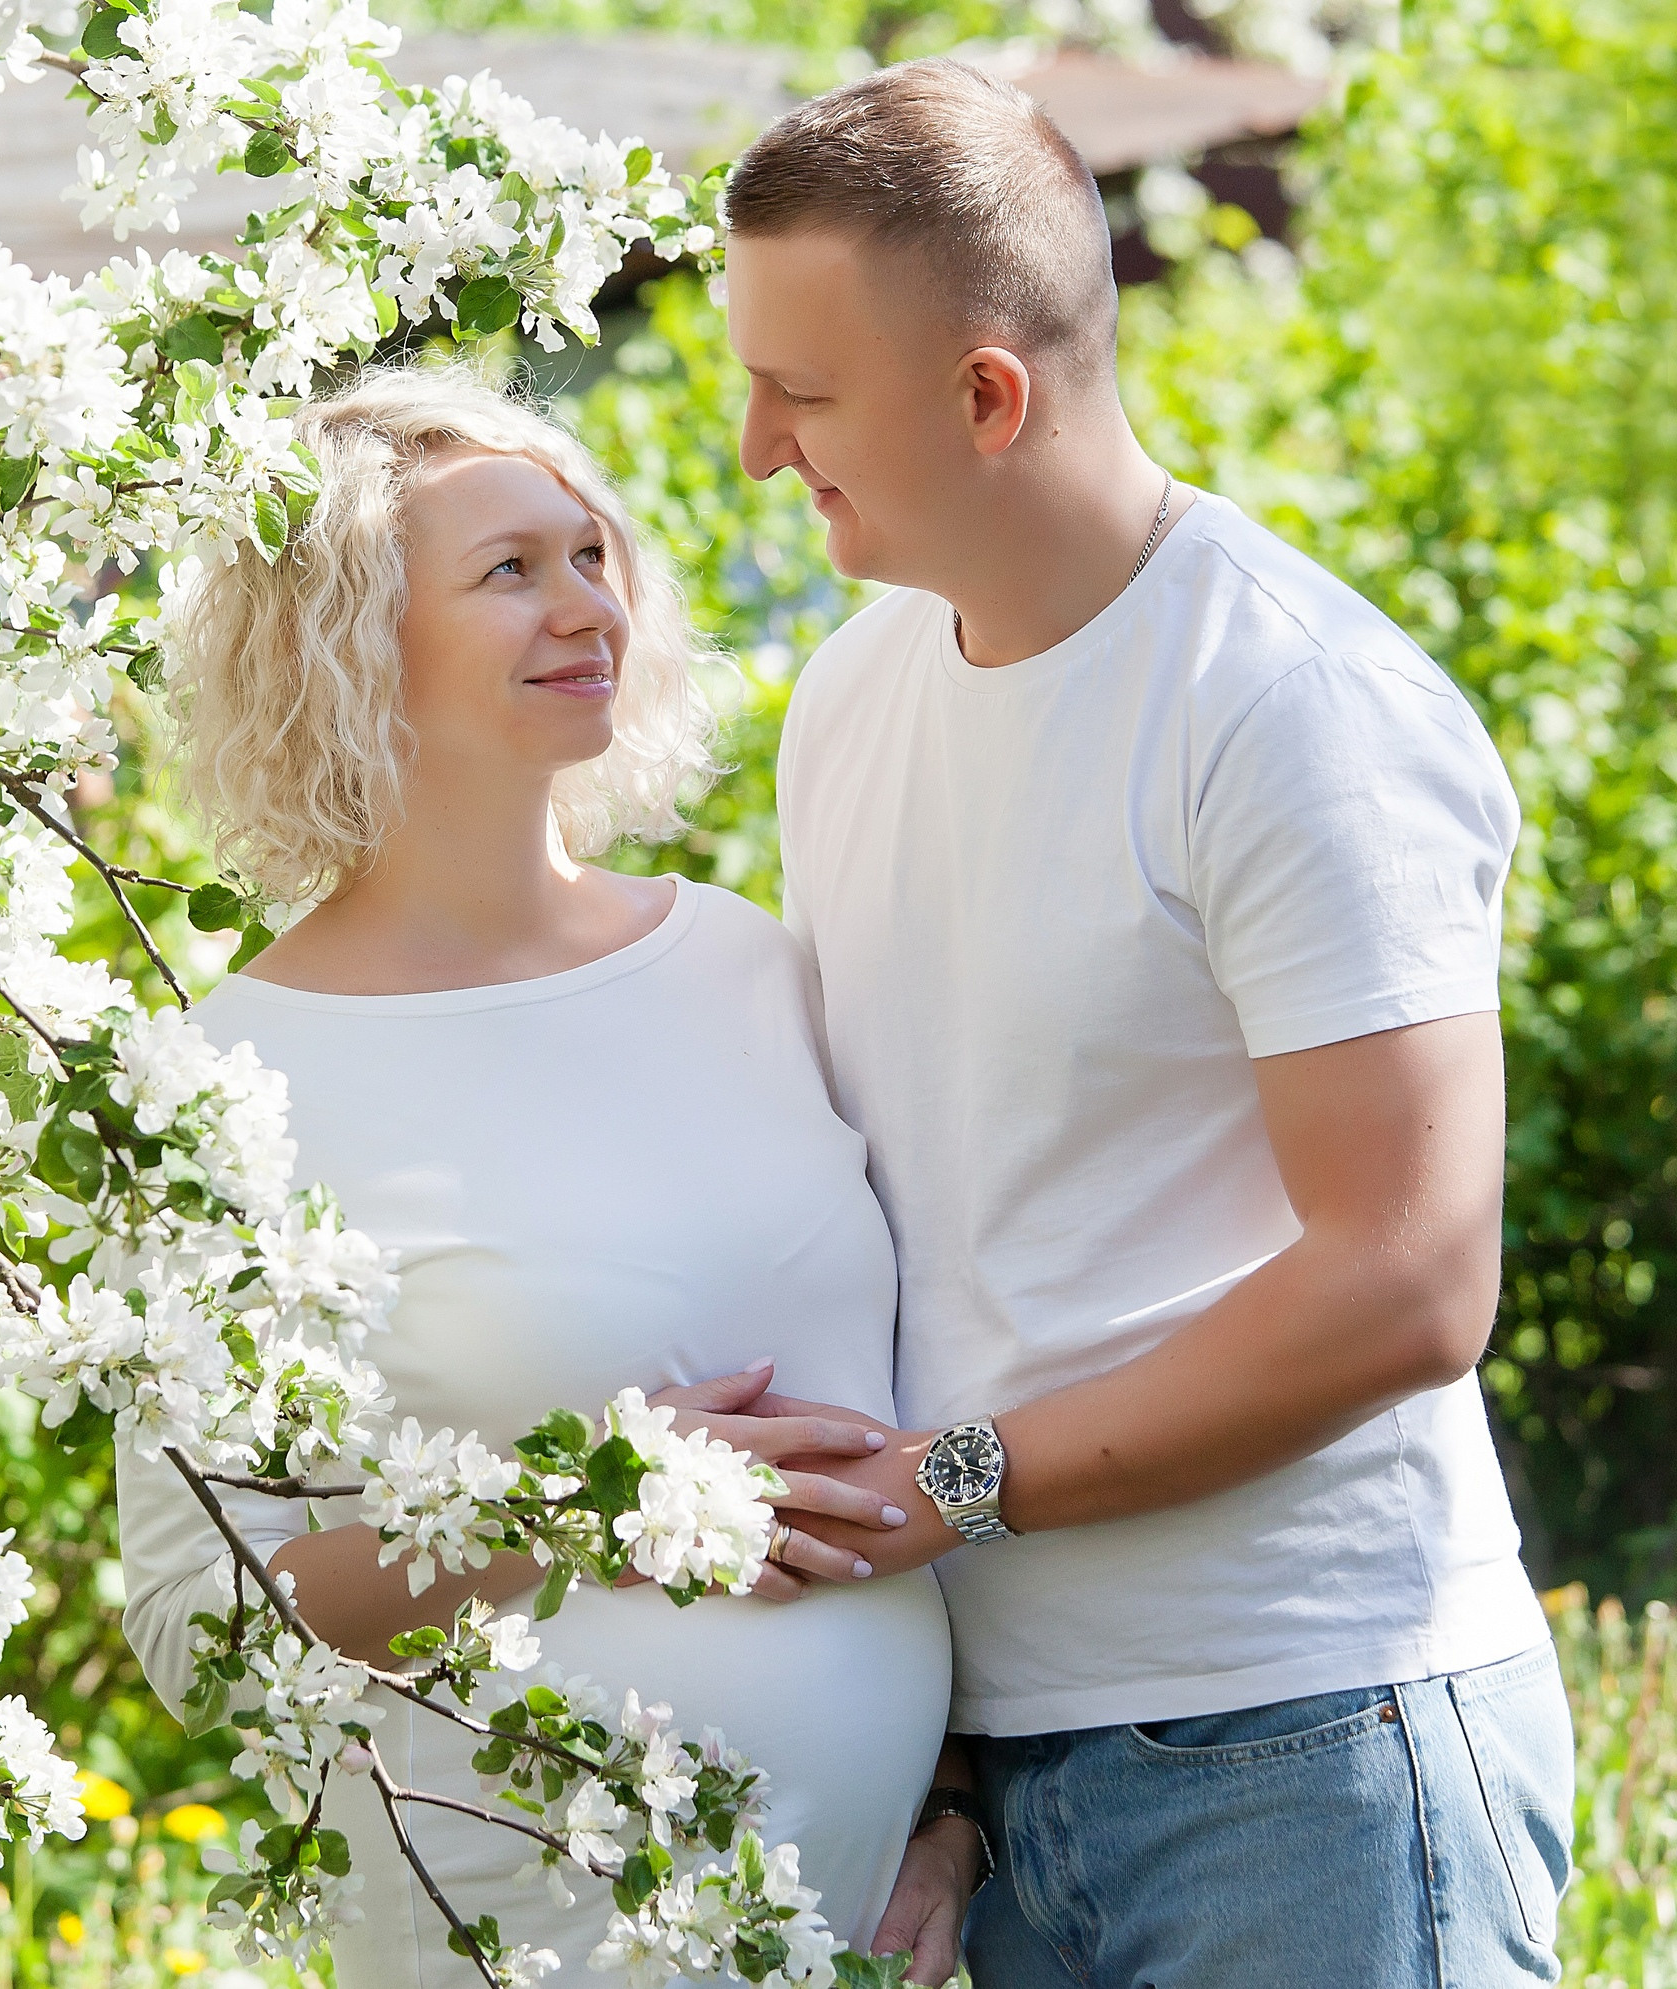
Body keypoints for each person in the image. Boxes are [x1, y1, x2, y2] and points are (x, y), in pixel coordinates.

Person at [710, 57, 1576, 1987]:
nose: (756, 445)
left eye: (802, 389)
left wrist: (951, 1490)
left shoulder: (1291, 708)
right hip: (1009, 1785)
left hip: (1313, 1758)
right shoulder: (847, 704)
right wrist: (936, 1761)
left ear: (987, 395)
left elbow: (1412, 1276)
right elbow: (943, 1238)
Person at [113, 366, 966, 1989]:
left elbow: (918, 1397)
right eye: (509, 571)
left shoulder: (747, 963)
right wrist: (591, 1498)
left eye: (591, 556)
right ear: (350, 642)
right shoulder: (224, 1085)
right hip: (528, 1931)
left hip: (878, 1931)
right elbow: (199, 1627)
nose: (586, 605)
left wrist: (953, 1803)